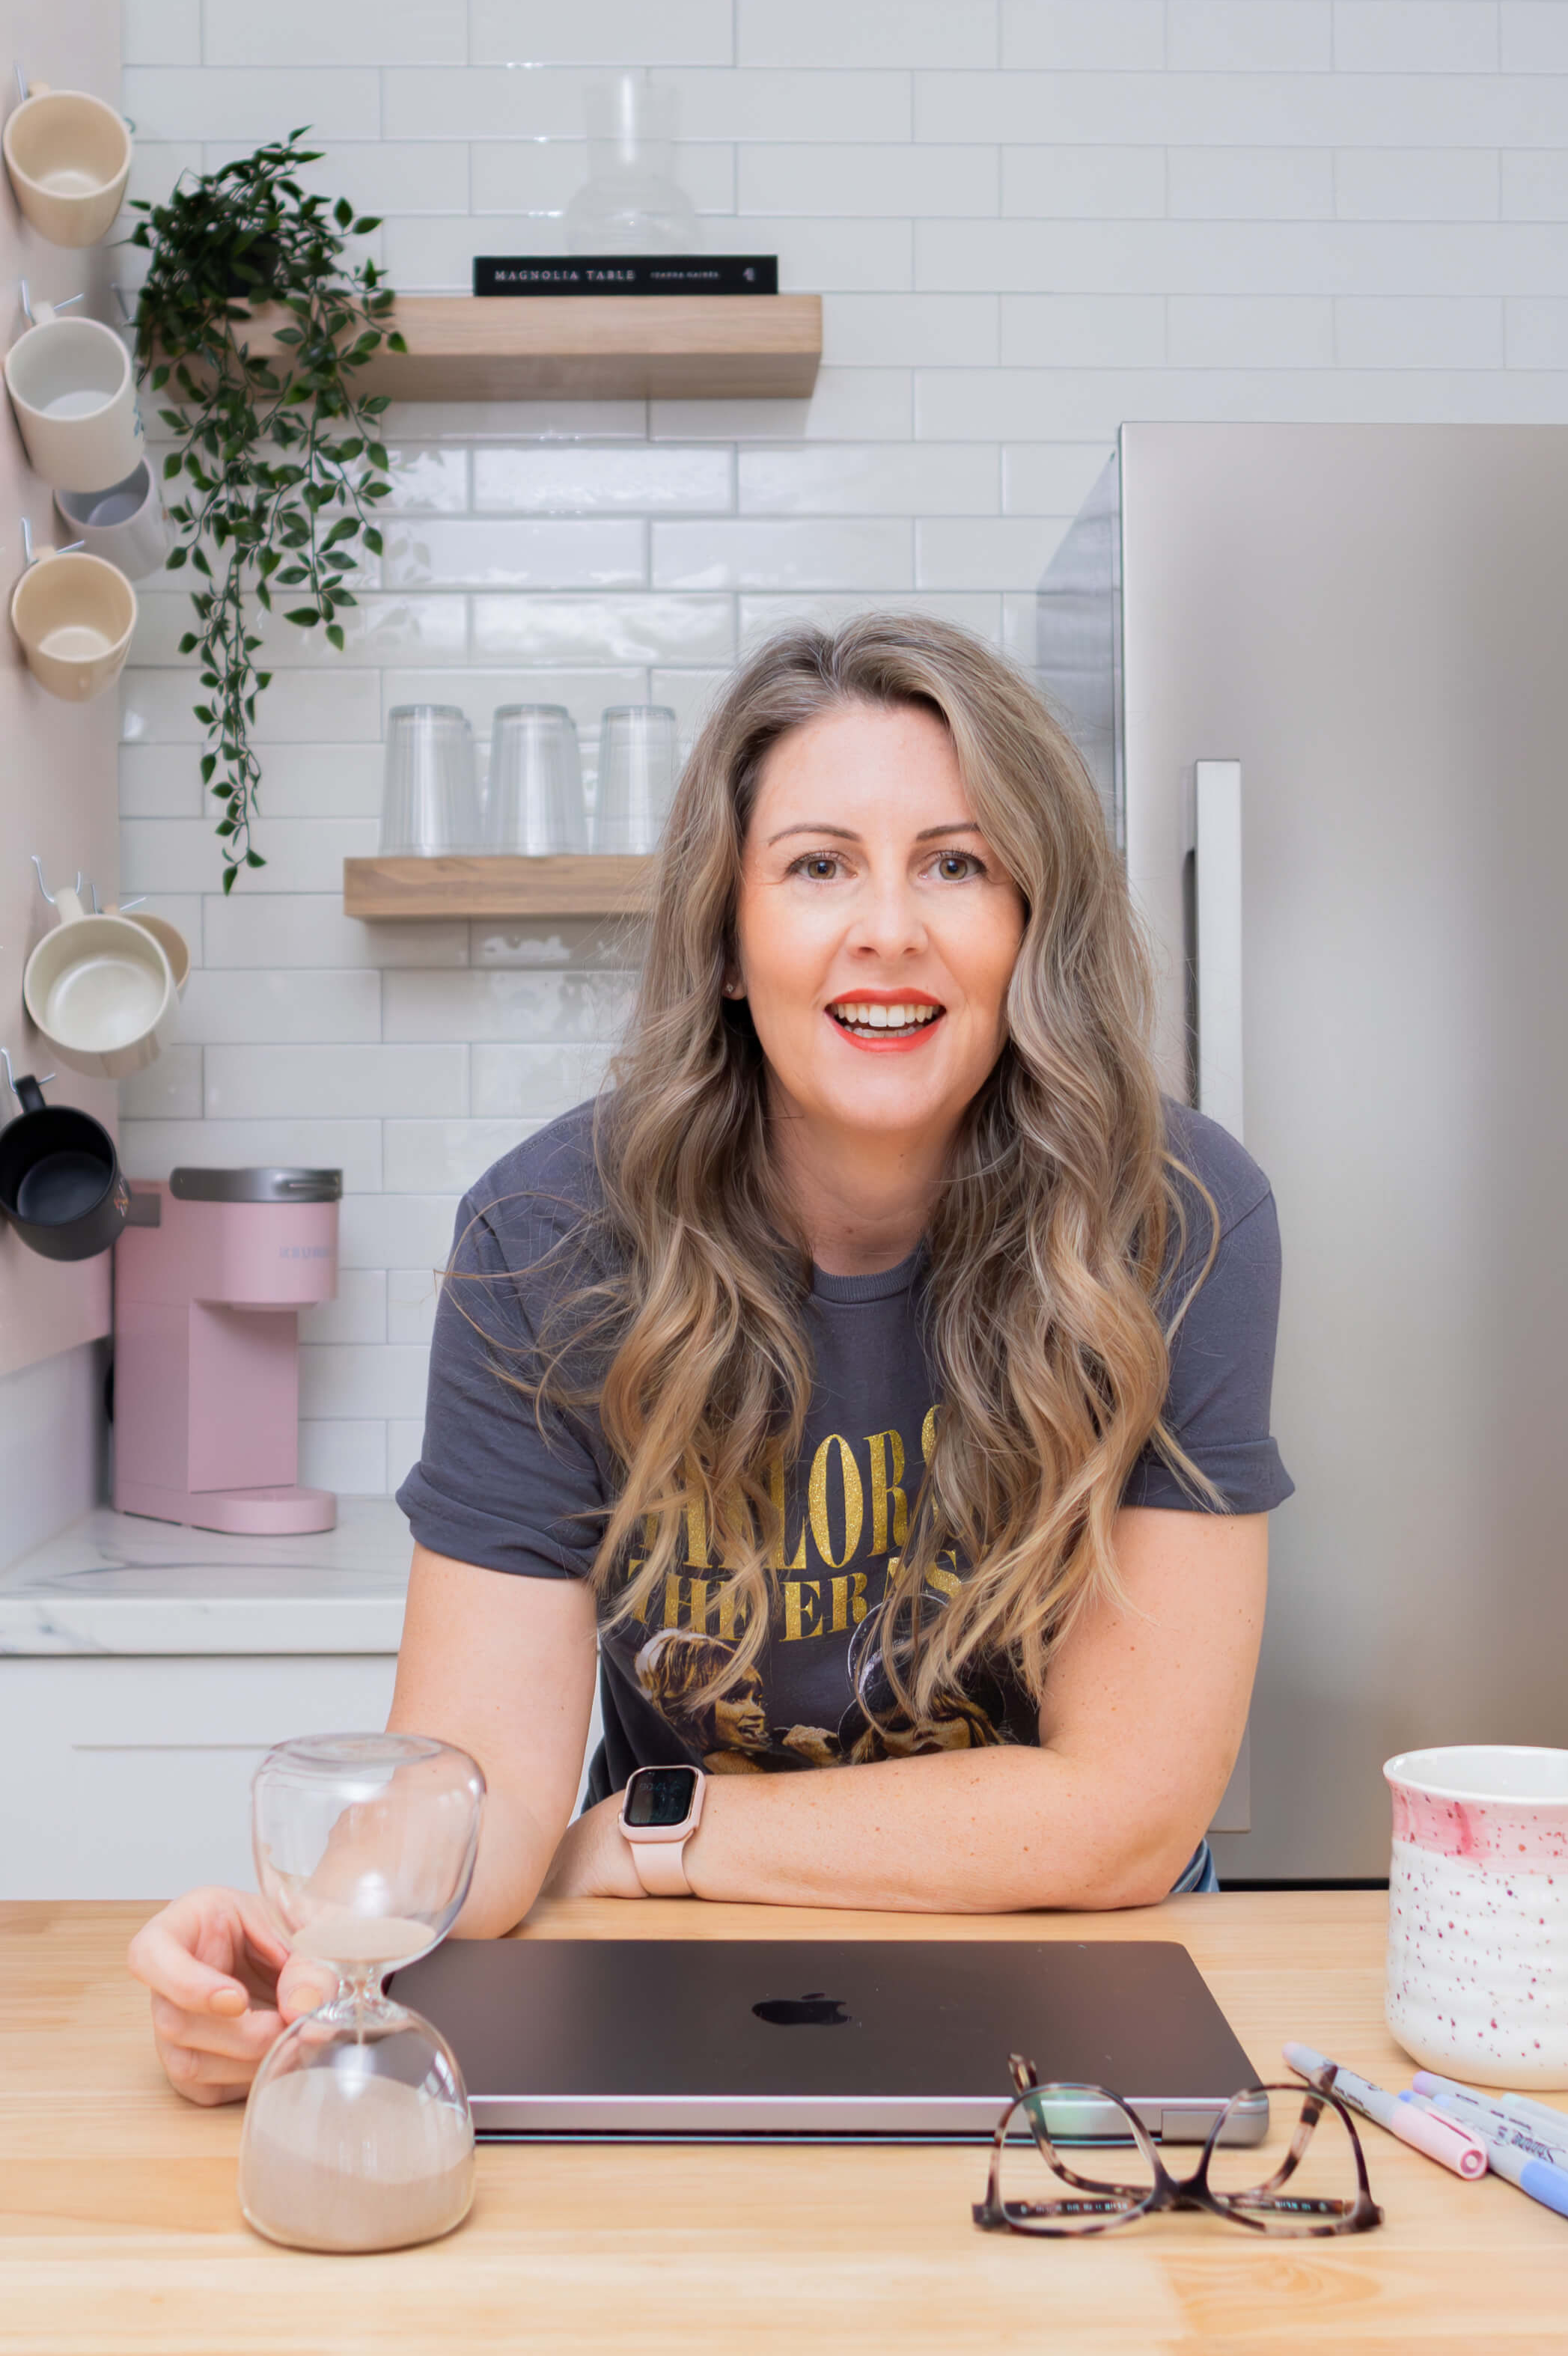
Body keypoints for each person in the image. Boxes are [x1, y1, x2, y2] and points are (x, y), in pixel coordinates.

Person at [129, 615, 1293, 2103]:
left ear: (1031, 924)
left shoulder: (1177, 1220)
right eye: (818, 865)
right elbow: (478, 1796)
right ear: (732, 945)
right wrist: (308, 1943)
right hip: (681, 1954)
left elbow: (1125, 1813)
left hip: (1059, 1945)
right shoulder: (548, 1238)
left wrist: (651, 1827)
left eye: (957, 860)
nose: (889, 926)